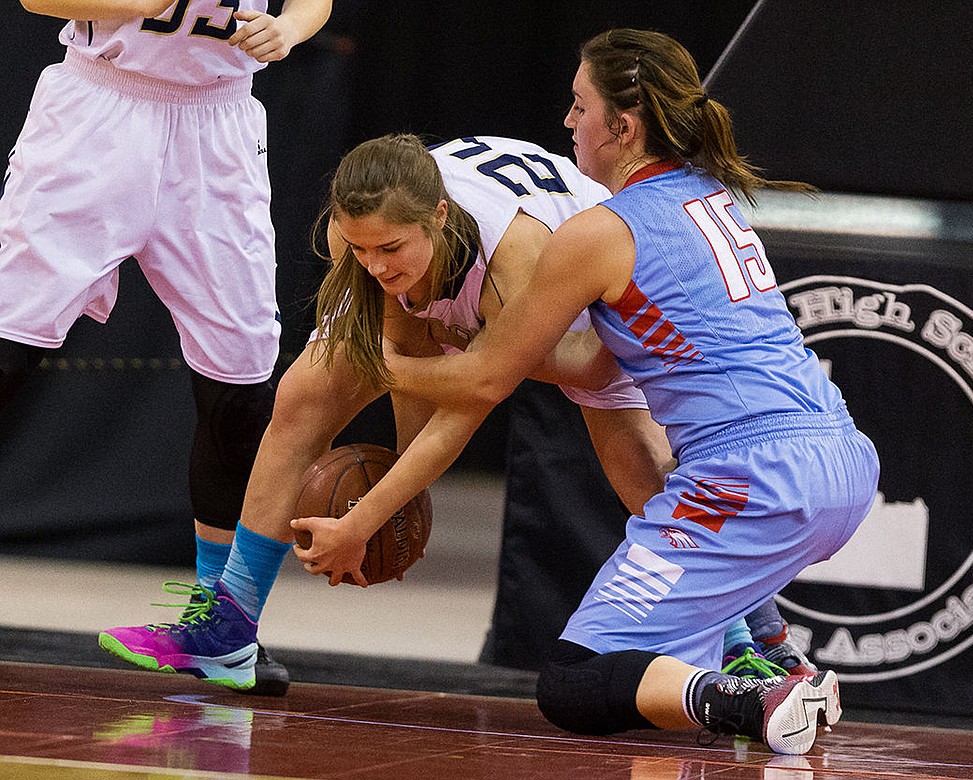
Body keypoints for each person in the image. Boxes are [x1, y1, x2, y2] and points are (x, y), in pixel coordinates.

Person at [293, 29, 881, 754]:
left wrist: (387, 366)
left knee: (575, 680)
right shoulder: (708, 195)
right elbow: (599, 366)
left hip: (751, 478)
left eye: (579, 106)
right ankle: (776, 660)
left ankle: (755, 696)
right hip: (842, 458)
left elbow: (485, 379)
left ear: (622, 126)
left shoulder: (598, 231)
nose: (568, 122)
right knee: (657, 636)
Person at [97, 132, 675, 689]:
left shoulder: (513, 260)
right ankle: (229, 624)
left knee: (630, 459)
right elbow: (402, 346)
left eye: (390, 249)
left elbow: (469, 400)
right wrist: (396, 487)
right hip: (454, 274)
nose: (374, 264)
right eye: (362, 248)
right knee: (299, 403)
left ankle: (746, 637)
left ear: (439, 218)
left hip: (576, 294)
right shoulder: (358, 238)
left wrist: (362, 521)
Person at [1, 0, 333, 695]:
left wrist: (292, 29)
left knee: (241, 391)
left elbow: (313, 1)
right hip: (98, 111)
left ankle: (224, 629)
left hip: (221, 128)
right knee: (7, 350)